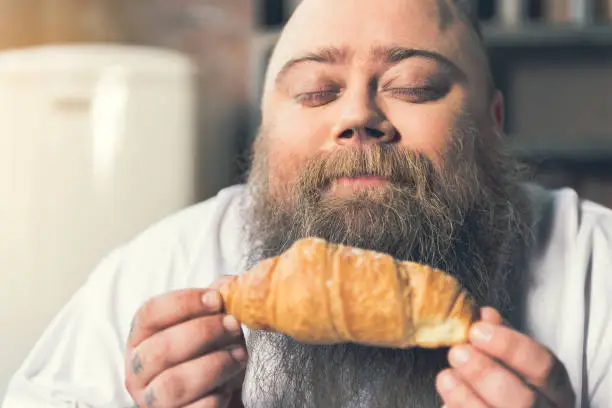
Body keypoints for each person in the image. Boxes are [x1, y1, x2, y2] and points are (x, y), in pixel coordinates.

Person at [3, 0, 611, 407]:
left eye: (414, 88)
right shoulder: (151, 275)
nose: (357, 117)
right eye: (317, 92)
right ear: (263, 136)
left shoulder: (596, 271)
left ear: (494, 124)